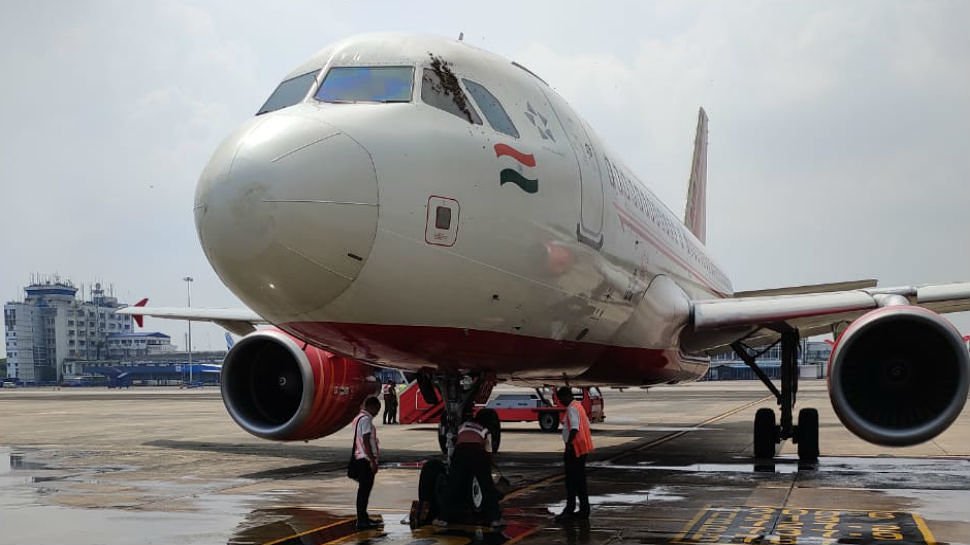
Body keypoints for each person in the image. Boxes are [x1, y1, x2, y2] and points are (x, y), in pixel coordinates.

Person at [434, 413, 504, 528]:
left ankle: (442, 519)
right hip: (478, 453)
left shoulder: (463, 426)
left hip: (460, 452)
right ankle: (495, 519)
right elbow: (488, 450)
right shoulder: (485, 430)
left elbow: (454, 441)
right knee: (487, 487)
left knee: (452, 486)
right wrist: (489, 465)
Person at [554, 387, 593, 522]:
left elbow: (575, 428)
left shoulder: (571, 408)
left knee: (571, 482)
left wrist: (569, 444)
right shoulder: (579, 406)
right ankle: (584, 510)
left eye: (560, 399)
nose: (560, 402)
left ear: (566, 396)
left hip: (575, 450)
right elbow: (586, 424)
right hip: (582, 449)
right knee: (580, 481)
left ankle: (569, 510)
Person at [350, 396, 382, 530]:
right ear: (372, 406)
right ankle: (362, 520)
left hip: (360, 458)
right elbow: (366, 440)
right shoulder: (366, 420)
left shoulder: (358, 418)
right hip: (365, 460)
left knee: (363, 491)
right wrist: (372, 460)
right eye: (377, 409)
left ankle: (363, 517)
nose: (377, 413)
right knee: (364, 491)